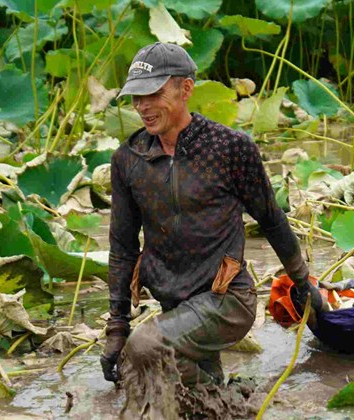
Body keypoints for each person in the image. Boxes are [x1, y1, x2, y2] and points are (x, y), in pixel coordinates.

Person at [100, 42, 325, 389]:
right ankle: (224, 400)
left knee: (145, 348)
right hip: (174, 303)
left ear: (186, 88)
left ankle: (219, 399)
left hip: (226, 300)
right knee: (167, 386)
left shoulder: (229, 149)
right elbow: (122, 246)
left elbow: (270, 218)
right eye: (136, 97)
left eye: (153, 94)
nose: (142, 106)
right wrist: (117, 326)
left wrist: (302, 280)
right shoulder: (128, 160)